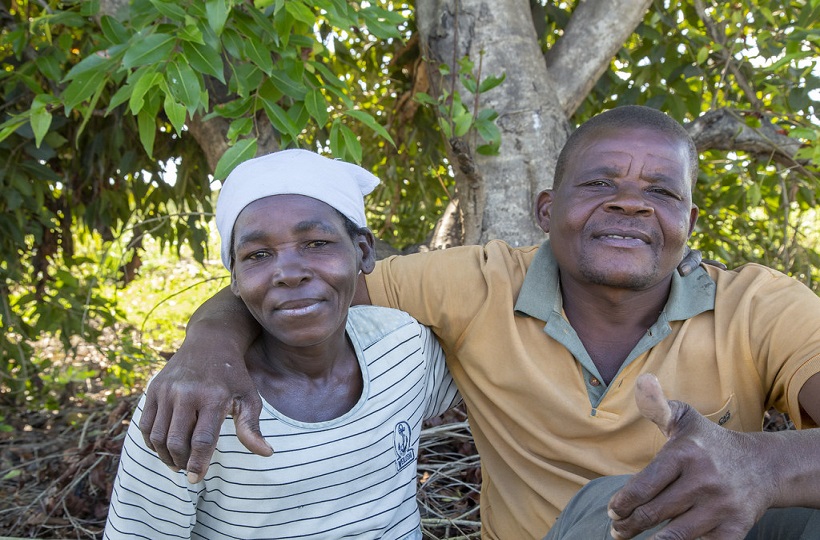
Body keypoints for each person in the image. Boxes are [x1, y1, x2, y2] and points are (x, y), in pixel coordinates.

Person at [139, 106, 820, 539]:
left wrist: (762, 465)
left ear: (689, 223)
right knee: (618, 505)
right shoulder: (475, 284)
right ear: (547, 210)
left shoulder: (759, 306)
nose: (632, 206)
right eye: (600, 184)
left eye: (662, 192)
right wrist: (209, 342)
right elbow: (302, 280)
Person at [104, 150, 460, 539]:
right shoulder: (190, 402)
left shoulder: (403, 347)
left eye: (317, 243)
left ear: (362, 251)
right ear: (235, 280)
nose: (289, 274)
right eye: (258, 254)